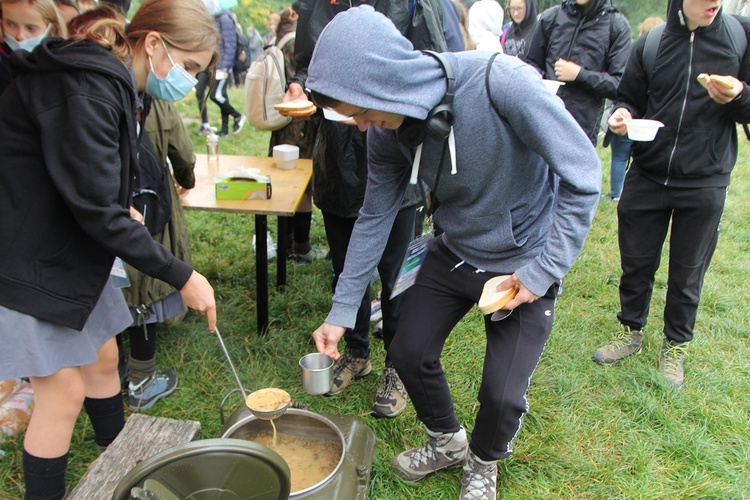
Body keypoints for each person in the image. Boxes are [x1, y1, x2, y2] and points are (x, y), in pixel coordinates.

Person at [307, 6, 600, 498]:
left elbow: (583, 174)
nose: (359, 126)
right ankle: (447, 440)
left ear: (383, 79)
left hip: (522, 258)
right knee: (407, 350)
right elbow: (375, 215)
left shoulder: (499, 82)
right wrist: (341, 311)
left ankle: (484, 462)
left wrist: (542, 270)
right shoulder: (385, 129)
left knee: (502, 394)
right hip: (455, 247)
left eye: (357, 110)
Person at [0, 1, 217, 498]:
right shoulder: (88, 86)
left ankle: (116, 465)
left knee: (102, 358)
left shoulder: (116, 81)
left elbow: (80, 170)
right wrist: (182, 275)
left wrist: (117, 204)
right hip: (29, 255)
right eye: (187, 67)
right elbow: (95, 209)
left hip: (68, 240)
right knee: (63, 391)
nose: (186, 81)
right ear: (154, 43)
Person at [286, 0, 447, 418]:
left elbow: (431, 68)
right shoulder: (317, 6)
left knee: (399, 276)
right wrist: (300, 86)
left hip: (397, 155)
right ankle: (356, 351)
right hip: (338, 159)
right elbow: (306, 64)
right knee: (347, 264)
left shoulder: (410, 5)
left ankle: (397, 362)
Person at [592, 0, 750, 389]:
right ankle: (630, 331)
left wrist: (739, 96)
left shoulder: (741, 36)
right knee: (637, 261)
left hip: (705, 177)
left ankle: (675, 345)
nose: (714, 2)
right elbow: (628, 96)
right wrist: (622, 115)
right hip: (648, 172)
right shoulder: (652, 43)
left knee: (688, 269)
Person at [119, 96, 197, 412]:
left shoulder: (90, 94)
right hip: (147, 209)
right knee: (143, 290)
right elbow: (183, 153)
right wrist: (186, 180)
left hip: (100, 211)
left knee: (116, 288)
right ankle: (142, 380)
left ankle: (116, 370)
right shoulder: (155, 101)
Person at [525, 0, 631, 145]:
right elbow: (531, 64)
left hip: (581, 134)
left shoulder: (616, 25)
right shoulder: (551, 17)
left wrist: (579, 74)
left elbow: (619, 85)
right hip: (542, 124)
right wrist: (537, 77)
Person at [268, 7, 327, 263]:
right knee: (301, 186)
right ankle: (299, 245)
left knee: (288, 185)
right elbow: (302, 81)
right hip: (299, 124)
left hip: (286, 123)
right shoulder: (295, 43)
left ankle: (289, 244)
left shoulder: (280, 41)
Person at [601, 17, 664, 202]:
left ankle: (616, 193)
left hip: (637, 123)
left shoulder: (633, 53)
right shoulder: (639, 54)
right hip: (635, 119)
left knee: (620, 157)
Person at [198, 0, 245, 137]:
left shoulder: (224, 19)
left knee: (215, 95)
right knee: (222, 95)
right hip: (213, 65)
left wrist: (225, 67)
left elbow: (230, 44)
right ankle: (224, 129)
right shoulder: (213, 19)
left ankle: (238, 116)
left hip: (222, 66)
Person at [0, 0, 67, 95]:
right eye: (10, 24)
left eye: (31, 28)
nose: (19, 36)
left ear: (51, 28)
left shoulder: (62, 64)